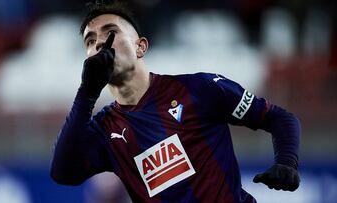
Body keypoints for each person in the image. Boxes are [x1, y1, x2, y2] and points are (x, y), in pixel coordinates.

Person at [50, 1, 301, 202]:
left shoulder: (198, 89)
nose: (99, 44)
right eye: (90, 41)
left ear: (141, 47)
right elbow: (62, 173)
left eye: (111, 33)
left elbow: (280, 118)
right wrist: (87, 91)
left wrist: (287, 162)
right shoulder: (105, 130)